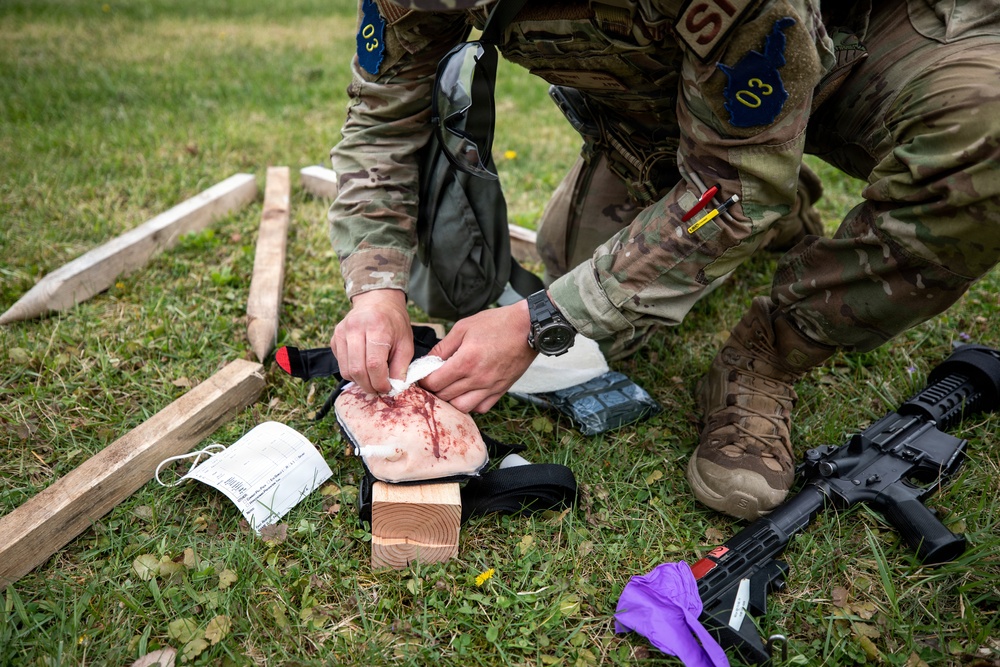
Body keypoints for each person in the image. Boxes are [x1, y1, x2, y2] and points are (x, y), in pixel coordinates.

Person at [328, 0, 1000, 520]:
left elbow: (735, 186)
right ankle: (773, 201)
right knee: (587, 269)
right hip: (680, 100)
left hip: (861, 42)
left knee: (988, 136)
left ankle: (771, 352)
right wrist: (376, 286)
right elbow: (383, 119)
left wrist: (544, 319)